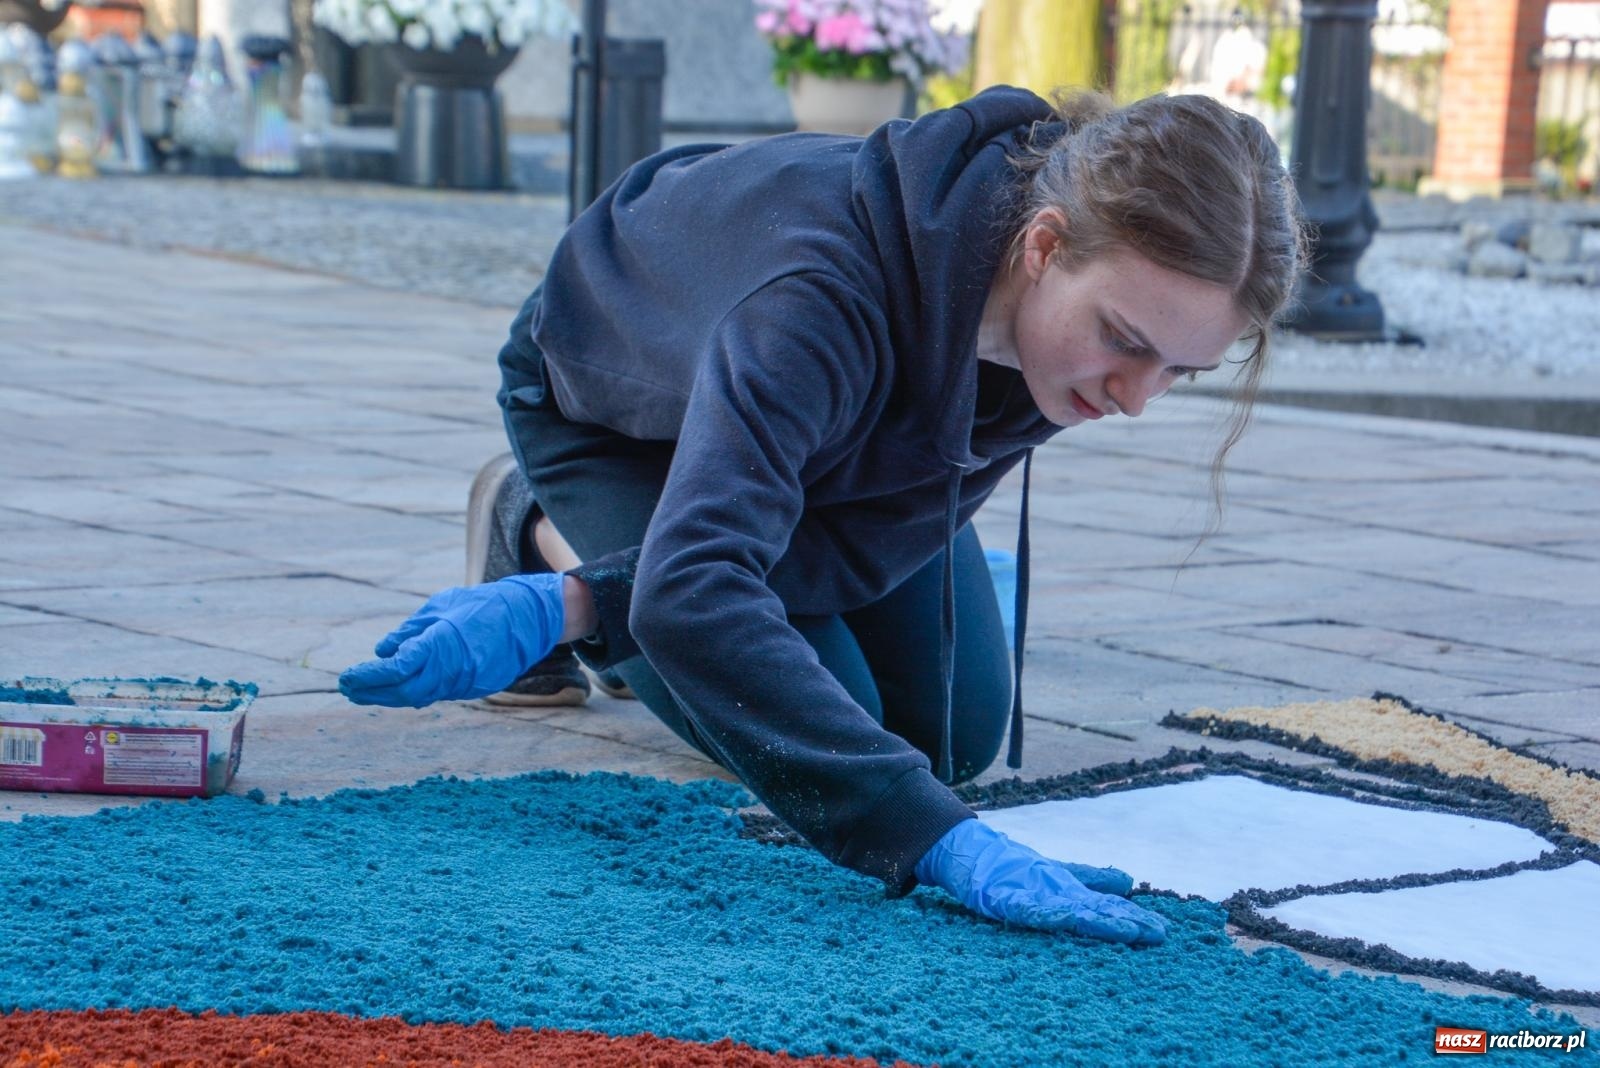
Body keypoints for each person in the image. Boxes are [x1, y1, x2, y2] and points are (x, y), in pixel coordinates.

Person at [340, 86, 1306, 947]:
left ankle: (600, 574)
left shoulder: (1057, 338)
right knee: (812, 715)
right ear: (1043, 245)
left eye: (1181, 369)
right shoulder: (816, 300)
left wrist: (618, 596)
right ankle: (533, 522)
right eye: (1126, 344)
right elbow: (697, 593)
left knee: (945, 741)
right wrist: (937, 844)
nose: (1137, 398)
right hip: (623, 410)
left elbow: (855, 546)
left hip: (833, 441)